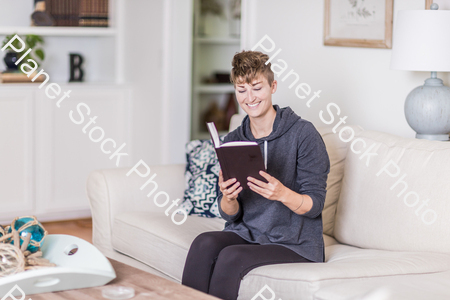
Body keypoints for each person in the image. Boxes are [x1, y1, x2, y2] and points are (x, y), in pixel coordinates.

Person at [181, 50, 330, 300]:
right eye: (242, 90)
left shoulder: (303, 135)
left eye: (257, 88)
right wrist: (228, 197)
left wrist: (282, 193)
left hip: (295, 243)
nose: (249, 98)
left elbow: (314, 206)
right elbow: (231, 213)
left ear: (273, 86)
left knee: (231, 257)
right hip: (247, 234)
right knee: (202, 243)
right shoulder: (234, 139)